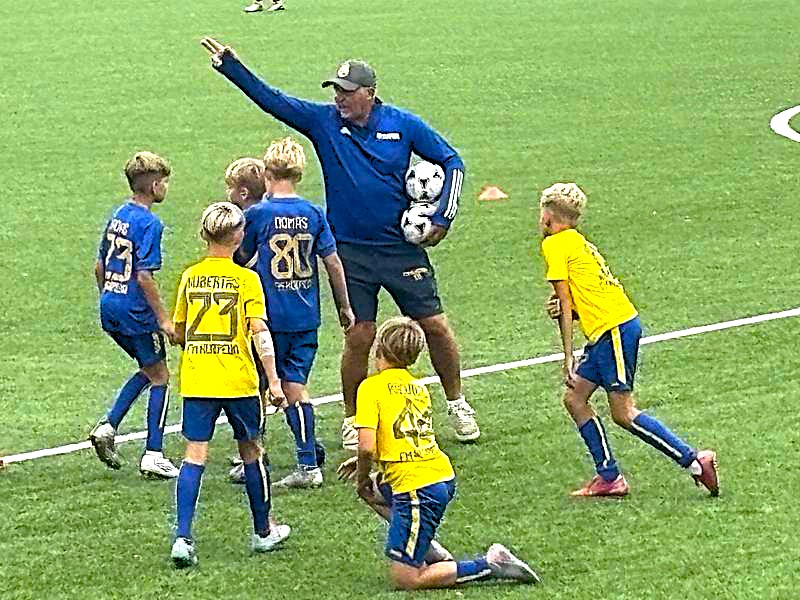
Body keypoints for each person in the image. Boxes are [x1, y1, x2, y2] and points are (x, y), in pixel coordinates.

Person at [200, 38, 480, 448]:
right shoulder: (325, 123)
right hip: (350, 251)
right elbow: (274, 101)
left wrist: (442, 217)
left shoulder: (403, 125)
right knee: (359, 335)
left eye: (347, 92)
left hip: (400, 250)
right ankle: (353, 417)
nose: (339, 98)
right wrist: (232, 67)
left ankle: (457, 403)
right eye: (336, 90)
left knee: (435, 326)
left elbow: (452, 161)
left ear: (370, 93)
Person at [538, 183, 719, 497]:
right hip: (608, 331)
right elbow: (586, 296)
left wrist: (567, 356)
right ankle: (609, 477)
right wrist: (573, 311)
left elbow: (564, 303)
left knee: (623, 412)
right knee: (575, 399)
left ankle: (694, 461)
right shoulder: (578, 242)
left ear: (547, 217)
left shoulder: (554, 244)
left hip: (614, 330)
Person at [342, 316, 538, 590]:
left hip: (416, 488)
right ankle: (428, 550)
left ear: (379, 349)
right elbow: (403, 436)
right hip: (439, 475)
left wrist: (362, 476)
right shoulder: (419, 388)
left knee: (407, 579)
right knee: (373, 491)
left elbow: (365, 446)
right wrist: (370, 469)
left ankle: (491, 564)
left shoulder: (370, 387)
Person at [170, 201, 290, 568]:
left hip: (198, 378)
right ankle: (263, 532)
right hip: (238, 380)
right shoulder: (247, 280)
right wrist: (274, 381)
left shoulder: (190, 276)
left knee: (194, 455)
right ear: (238, 237)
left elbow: (179, 331)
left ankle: (182, 537)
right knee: (252, 450)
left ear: (205, 235)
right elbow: (260, 333)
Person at [233, 136, 355, 489]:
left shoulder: (257, 215)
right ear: (299, 174)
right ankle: (306, 459)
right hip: (305, 316)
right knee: (295, 385)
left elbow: (239, 259)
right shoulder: (314, 213)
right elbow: (332, 262)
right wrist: (344, 306)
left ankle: (258, 458)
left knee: (258, 385)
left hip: (267, 317)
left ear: (267, 174)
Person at [89, 151, 179, 479]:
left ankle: (108, 426)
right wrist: (164, 320)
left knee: (149, 368)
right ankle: (153, 453)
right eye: (164, 182)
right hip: (135, 312)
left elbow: (99, 265)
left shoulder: (118, 215)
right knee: (160, 376)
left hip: (110, 305)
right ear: (154, 186)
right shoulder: (150, 224)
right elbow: (143, 276)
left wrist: (109, 296)